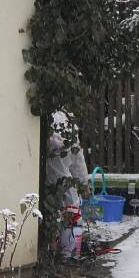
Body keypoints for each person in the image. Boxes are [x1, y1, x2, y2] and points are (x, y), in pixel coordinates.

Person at [45, 111, 90, 260]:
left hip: (48, 182)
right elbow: (78, 159)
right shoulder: (67, 125)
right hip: (63, 182)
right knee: (72, 212)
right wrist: (83, 183)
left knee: (59, 215)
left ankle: (58, 250)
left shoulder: (46, 121)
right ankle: (69, 254)